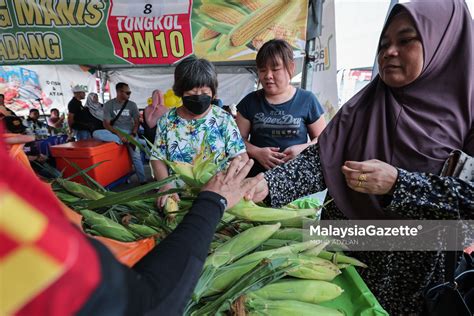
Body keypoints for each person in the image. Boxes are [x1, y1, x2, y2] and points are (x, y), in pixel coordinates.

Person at [248, 1, 474, 314]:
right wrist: (265, 185)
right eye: (384, 44)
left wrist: (399, 183)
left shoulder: (469, 114)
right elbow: (321, 161)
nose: (389, 51)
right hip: (341, 251)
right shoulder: (365, 105)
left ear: (444, 42)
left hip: (414, 267)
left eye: (406, 40)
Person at [0, 125, 263, 315]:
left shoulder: (222, 120)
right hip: (198, 204)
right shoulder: (11, 228)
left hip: (223, 198)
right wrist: (210, 202)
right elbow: (145, 305)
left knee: (307, 231)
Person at [150, 57, 247, 208]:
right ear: (180, 91)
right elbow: (157, 158)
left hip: (216, 197)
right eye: (192, 92)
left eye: (204, 92)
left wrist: (234, 175)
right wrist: (166, 185)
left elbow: (240, 156)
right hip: (177, 197)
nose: (198, 97)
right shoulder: (167, 121)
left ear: (213, 93)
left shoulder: (223, 119)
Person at [236, 39, 326, 177]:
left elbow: (323, 138)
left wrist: (302, 149)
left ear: (291, 67)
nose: (268, 76)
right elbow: (236, 140)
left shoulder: (307, 100)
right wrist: (257, 152)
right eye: (262, 70)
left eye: (275, 69)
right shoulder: (249, 102)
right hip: (256, 178)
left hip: (295, 178)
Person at [93, 82, 146, 184]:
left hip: (130, 132)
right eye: (127, 92)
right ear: (119, 92)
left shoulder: (132, 105)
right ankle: (124, 141)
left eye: (129, 92)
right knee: (96, 133)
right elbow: (106, 124)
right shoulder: (109, 105)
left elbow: (137, 122)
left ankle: (143, 180)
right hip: (115, 132)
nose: (129, 95)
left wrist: (133, 134)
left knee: (136, 156)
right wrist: (119, 134)